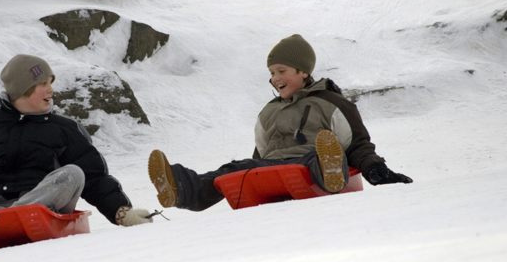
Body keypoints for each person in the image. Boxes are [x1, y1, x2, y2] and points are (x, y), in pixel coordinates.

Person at [148, 34, 412, 212]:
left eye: (282, 71)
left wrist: (376, 170)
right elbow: (261, 153)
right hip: (272, 166)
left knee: (318, 158)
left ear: (303, 71)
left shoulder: (331, 103)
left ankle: (331, 172)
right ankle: (180, 187)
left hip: (309, 163)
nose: (275, 78)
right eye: (272, 73)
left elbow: (358, 144)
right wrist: (247, 172)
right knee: (234, 167)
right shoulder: (268, 112)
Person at [0, 54, 153, 228]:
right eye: (44, 84)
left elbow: (94, 177)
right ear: (23, 88)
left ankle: (19, 213)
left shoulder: (65, 129)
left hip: (45, 207)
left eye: (51, 83)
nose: (51, 90)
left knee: (74, 173)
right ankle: (1, 217)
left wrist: (121, 213)